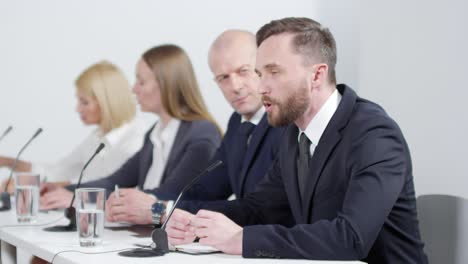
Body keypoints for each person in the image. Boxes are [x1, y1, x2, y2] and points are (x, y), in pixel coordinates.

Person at [166, 17, 428, 263]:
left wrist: (240, 239)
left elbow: (351, 238)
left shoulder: (374, 134)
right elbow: (259, 208)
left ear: (316, 75)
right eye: (259, 73)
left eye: (274, 72)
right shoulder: (295, 133)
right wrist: (196, 222)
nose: (260, 87)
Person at [103, 30, 288, 225]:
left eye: (243, 71)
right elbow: (206, 190)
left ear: (261, 68)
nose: (235, 86)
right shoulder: (237, 123)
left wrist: (160, 210)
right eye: (223, 78)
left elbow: (256, 209)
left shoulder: (284, 123)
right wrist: (150, 203)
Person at [40, 44, 222, 213]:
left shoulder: (201, 134)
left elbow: (170, 194)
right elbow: (116, 181)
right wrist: (66, 191)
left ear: (166, 85)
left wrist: (81, 198)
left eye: (141, 82)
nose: (134, 89)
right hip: (144, 235)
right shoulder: (155, 133)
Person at [0, 61, 145, 194]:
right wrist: (9, 162)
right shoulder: (97, 136)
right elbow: (59, 171)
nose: (77, 109)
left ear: (107, 102)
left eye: (84, 102)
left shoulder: (135, 141)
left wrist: (30, 185)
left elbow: (104, 187)